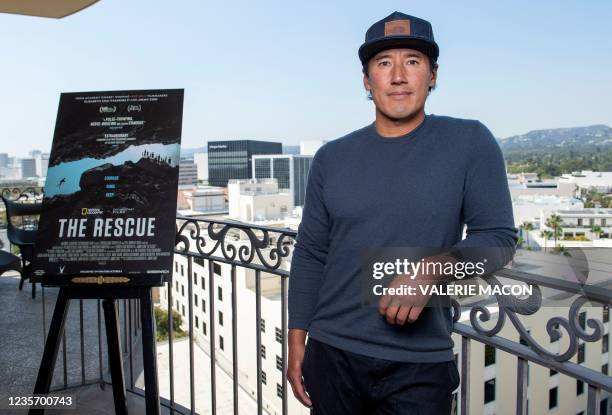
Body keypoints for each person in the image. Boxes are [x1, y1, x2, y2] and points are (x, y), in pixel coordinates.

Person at [287, 11, 518, 415]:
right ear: (366, 80)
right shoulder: (331, 157)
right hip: (332, 354)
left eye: (412, 61)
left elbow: (499, 241)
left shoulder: (470, 142)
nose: (398, 75)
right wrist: (295, 341)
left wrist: (431, 271)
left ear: (432, 75)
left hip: (420, 366)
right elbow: (311, 253)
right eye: (383, 63)